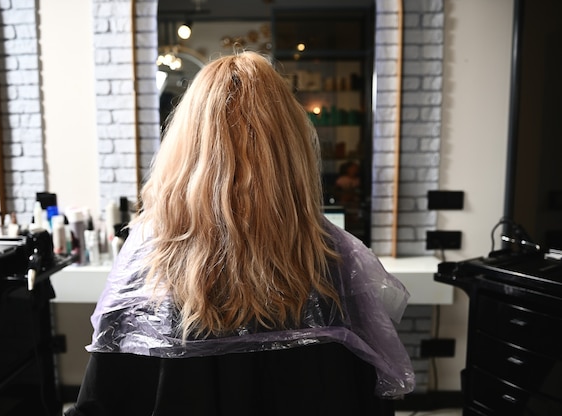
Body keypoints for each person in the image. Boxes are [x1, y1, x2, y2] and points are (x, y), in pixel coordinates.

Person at [65, 51, 414, 416]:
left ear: (186, 146)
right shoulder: (336, 260)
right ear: (291, 147)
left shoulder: (150, 261)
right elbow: (369, 398)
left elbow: (103, 400)